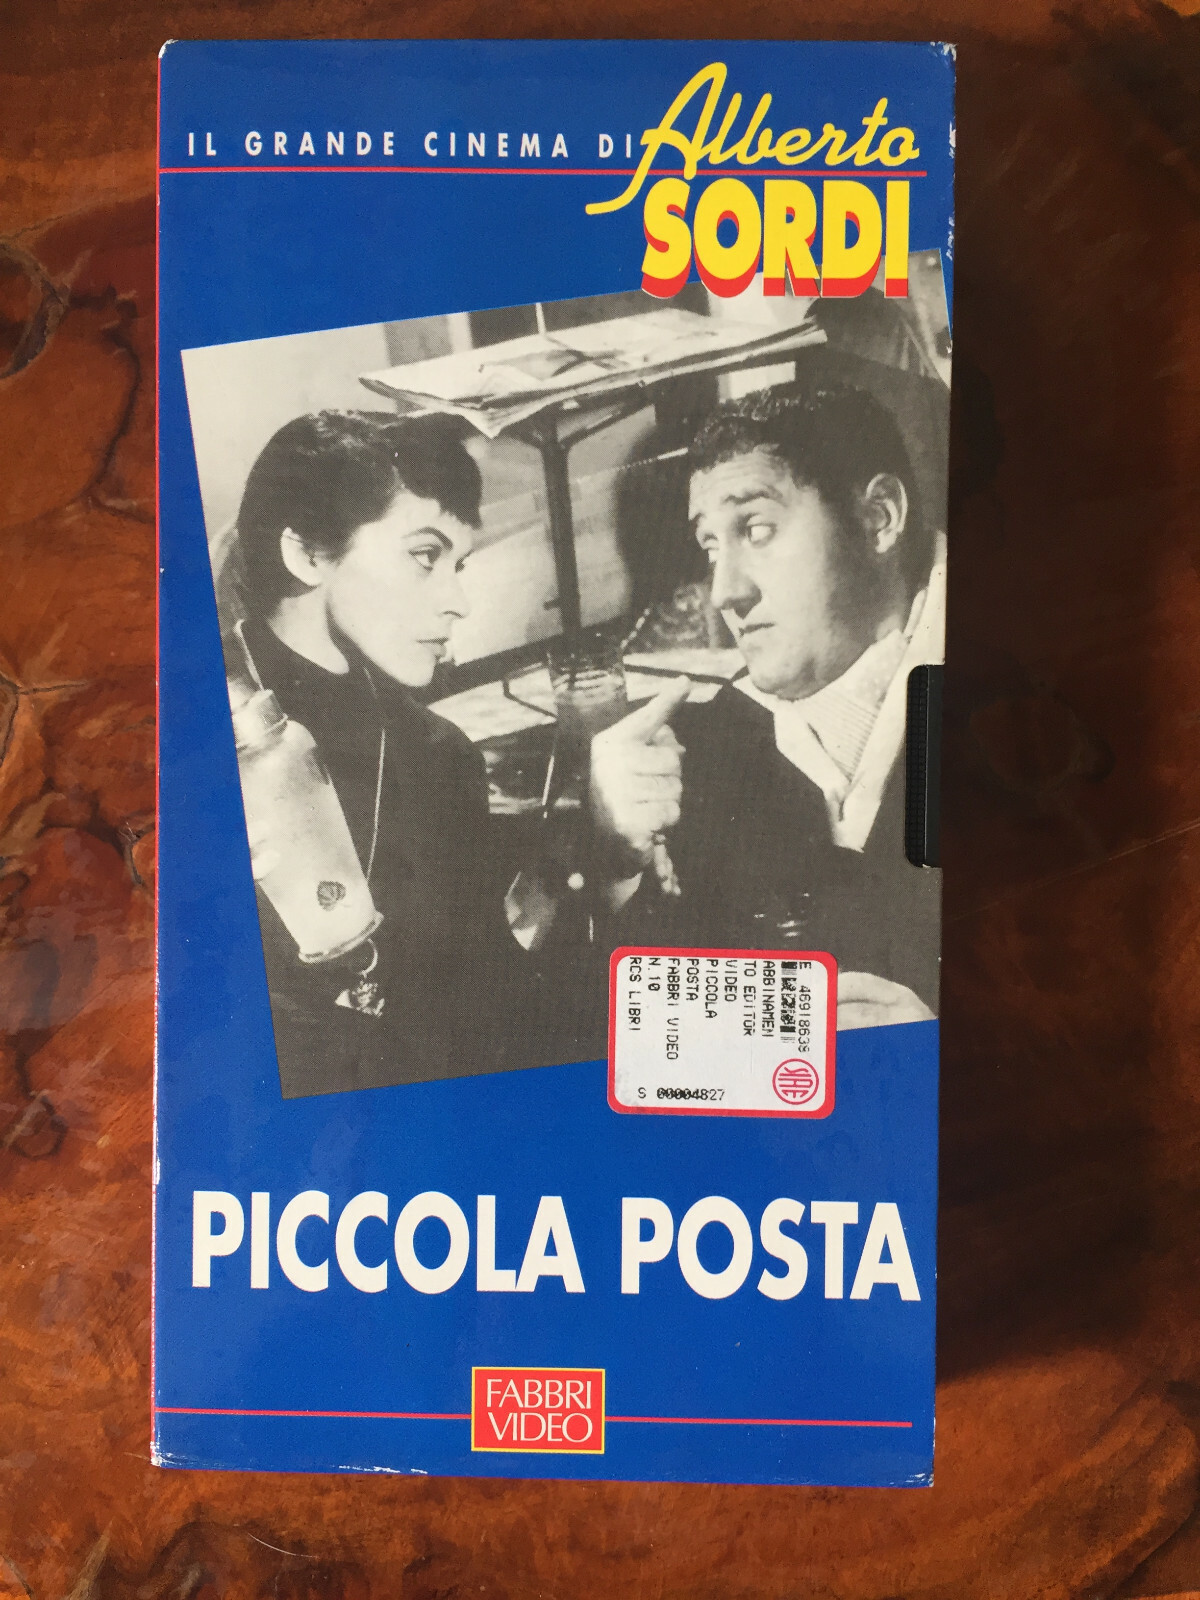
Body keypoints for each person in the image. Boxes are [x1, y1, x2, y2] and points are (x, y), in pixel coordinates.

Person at [588, 383, 944, 1030]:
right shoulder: (711, 739)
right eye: (710, 547)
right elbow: (632, 1024)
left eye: (756, 530)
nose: (724, 591)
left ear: (879, 518)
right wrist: (617, 858)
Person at [227, 410, 537, 1097]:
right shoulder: (192, 741)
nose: (459, 600)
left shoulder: (441, 756)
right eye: (425, 556)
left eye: (459, 565)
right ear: (309, 553)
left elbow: (490, 1014)